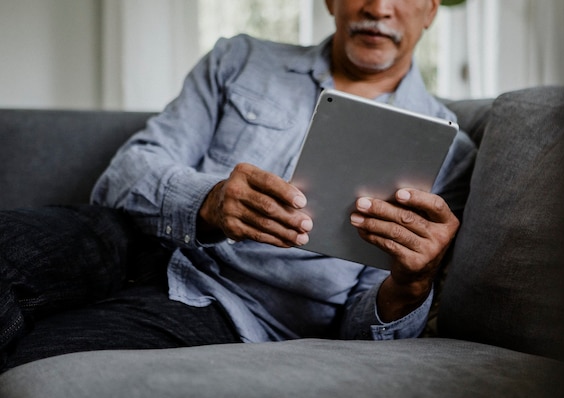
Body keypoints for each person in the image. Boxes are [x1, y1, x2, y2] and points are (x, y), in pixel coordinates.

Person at [0, 0, 475, 372]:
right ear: (331, 0)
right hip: (129, 238)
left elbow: (359, 330)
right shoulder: (240, 58)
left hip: (231, 310)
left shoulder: (448, 154)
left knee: (35, 364)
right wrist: (208, 201)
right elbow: (125, 172)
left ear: (431, 8)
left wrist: (412, 285)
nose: (378, 6)